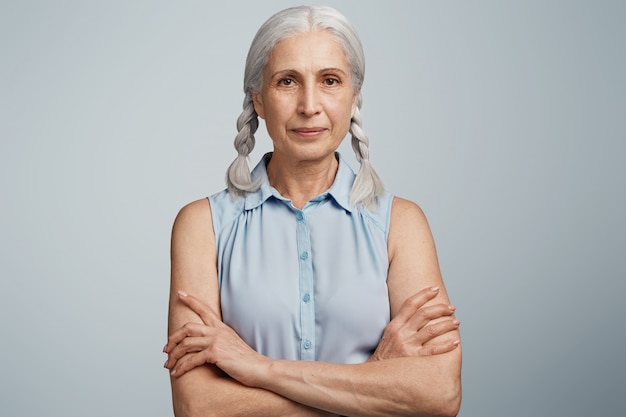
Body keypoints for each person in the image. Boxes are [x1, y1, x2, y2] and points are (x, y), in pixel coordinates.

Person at [164, 5, 462, 417]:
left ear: (354, 97)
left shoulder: (402, 225)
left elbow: (439, 395)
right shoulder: (201, 227)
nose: (309, 105)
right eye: (287, 81)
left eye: (330, 81)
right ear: (259, 99)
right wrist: (374, 378)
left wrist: (259, 369)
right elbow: (199, 407)